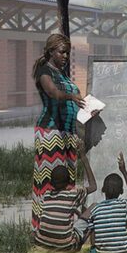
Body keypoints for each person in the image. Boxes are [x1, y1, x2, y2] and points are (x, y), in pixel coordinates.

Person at [32, 34, 87, 233]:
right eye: (62, 52)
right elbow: (54, 93)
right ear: (50, 51)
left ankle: (64, 225)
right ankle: (43, 228)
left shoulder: (62, 74)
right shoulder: (44, 71)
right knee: (51, 182)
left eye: (67, 53)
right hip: (51, 133)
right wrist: (72, 96)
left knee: (68, 182)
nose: (65, 56)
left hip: (68, 132)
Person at [86, 153, 127, 253]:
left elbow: (93, 235)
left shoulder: (95, 209)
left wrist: (94, 249)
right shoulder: (124, 205)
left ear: (103, 190)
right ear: (121, 191)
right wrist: (124, 171)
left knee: (92, 247)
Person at [32, 164, 96, 252]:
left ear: (51, 182)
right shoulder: (73, 194)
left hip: (42, 243)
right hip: (67, 246)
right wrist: (85, 160)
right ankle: (92, 246)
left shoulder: (46, 195)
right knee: (94, 206)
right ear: (69, 181)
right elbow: (93, 187)